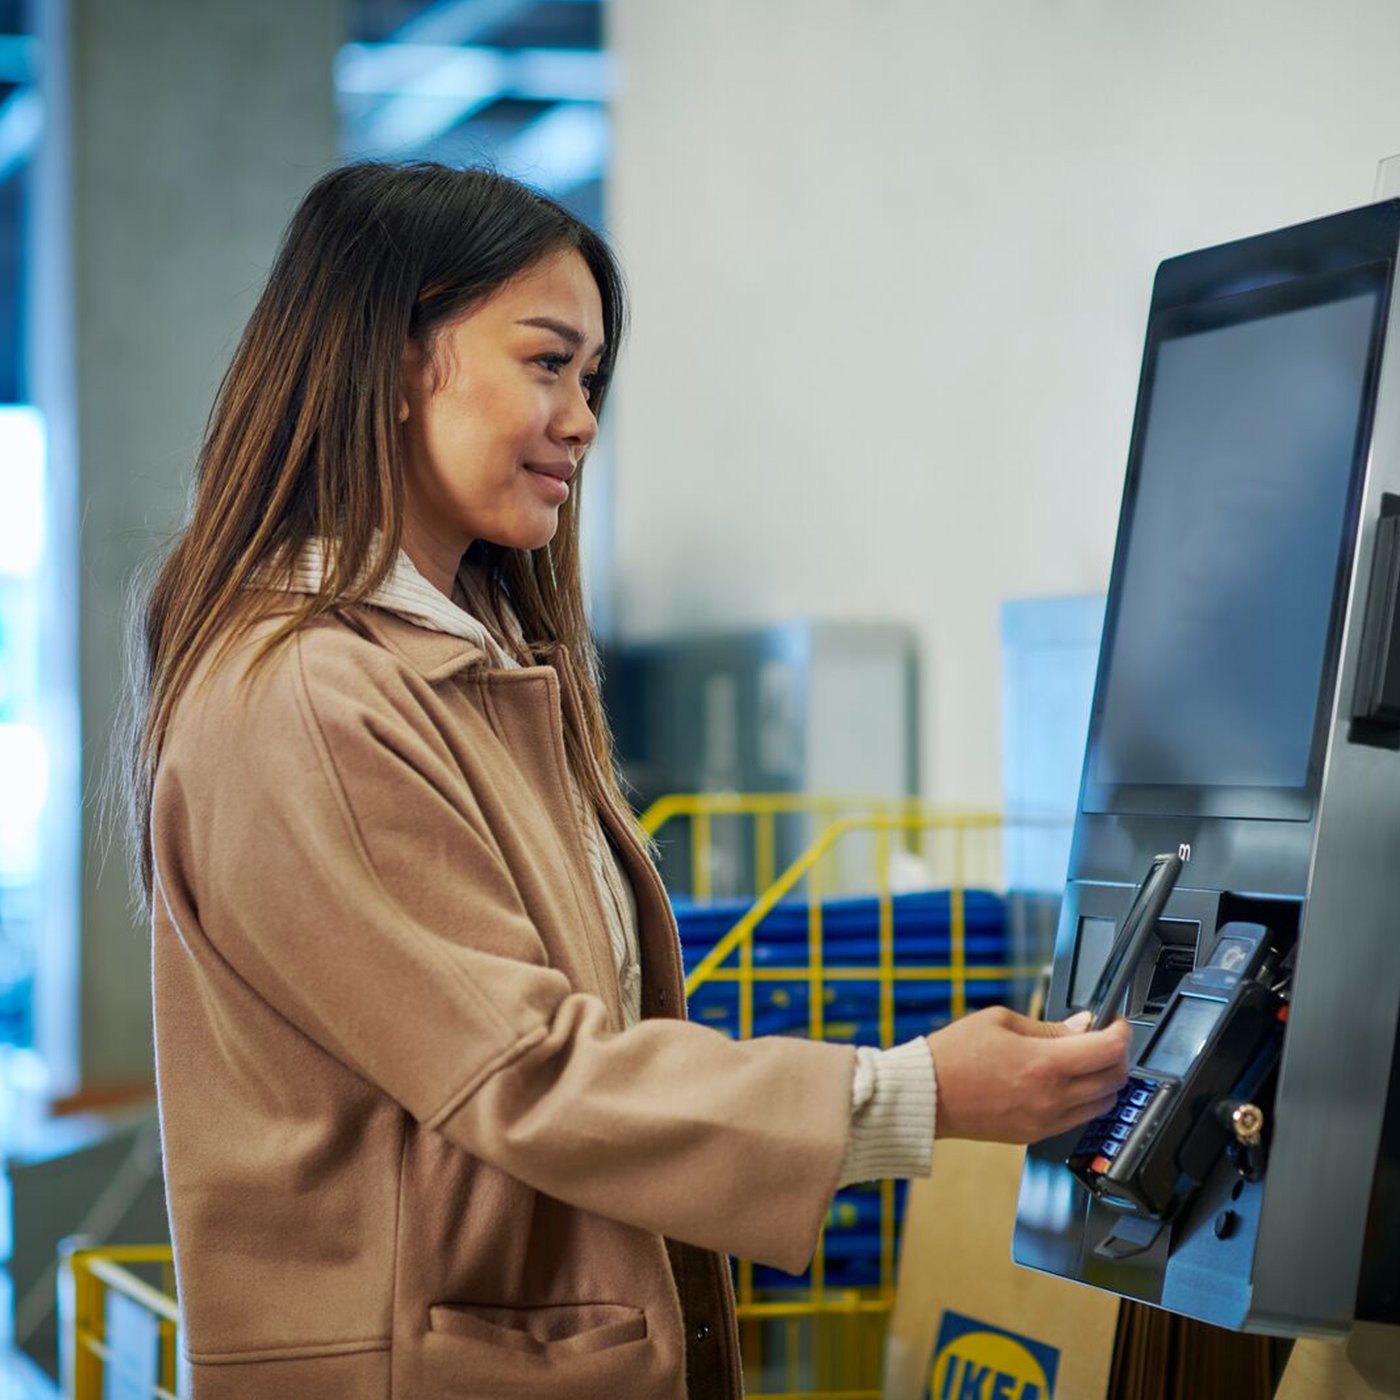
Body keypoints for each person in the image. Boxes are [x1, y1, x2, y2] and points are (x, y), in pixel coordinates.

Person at [129, 161, 1130, 1400]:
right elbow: (530, 1073)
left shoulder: (462, 669)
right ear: (393, 360)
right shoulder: (300, 696)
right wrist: (916, 1093)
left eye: (589, 378)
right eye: (546, 363)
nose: (583, 417)